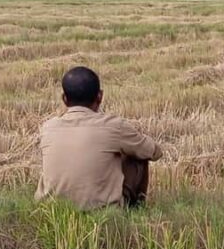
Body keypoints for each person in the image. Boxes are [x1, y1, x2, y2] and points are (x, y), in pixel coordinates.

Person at [35, 66, 163, 210]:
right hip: (103, 213)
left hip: (51, 211)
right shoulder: (114, 126)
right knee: (137, 156)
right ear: (100, 96)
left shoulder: (47, 127)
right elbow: (153, 152)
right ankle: (134, 211)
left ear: (64, 98)